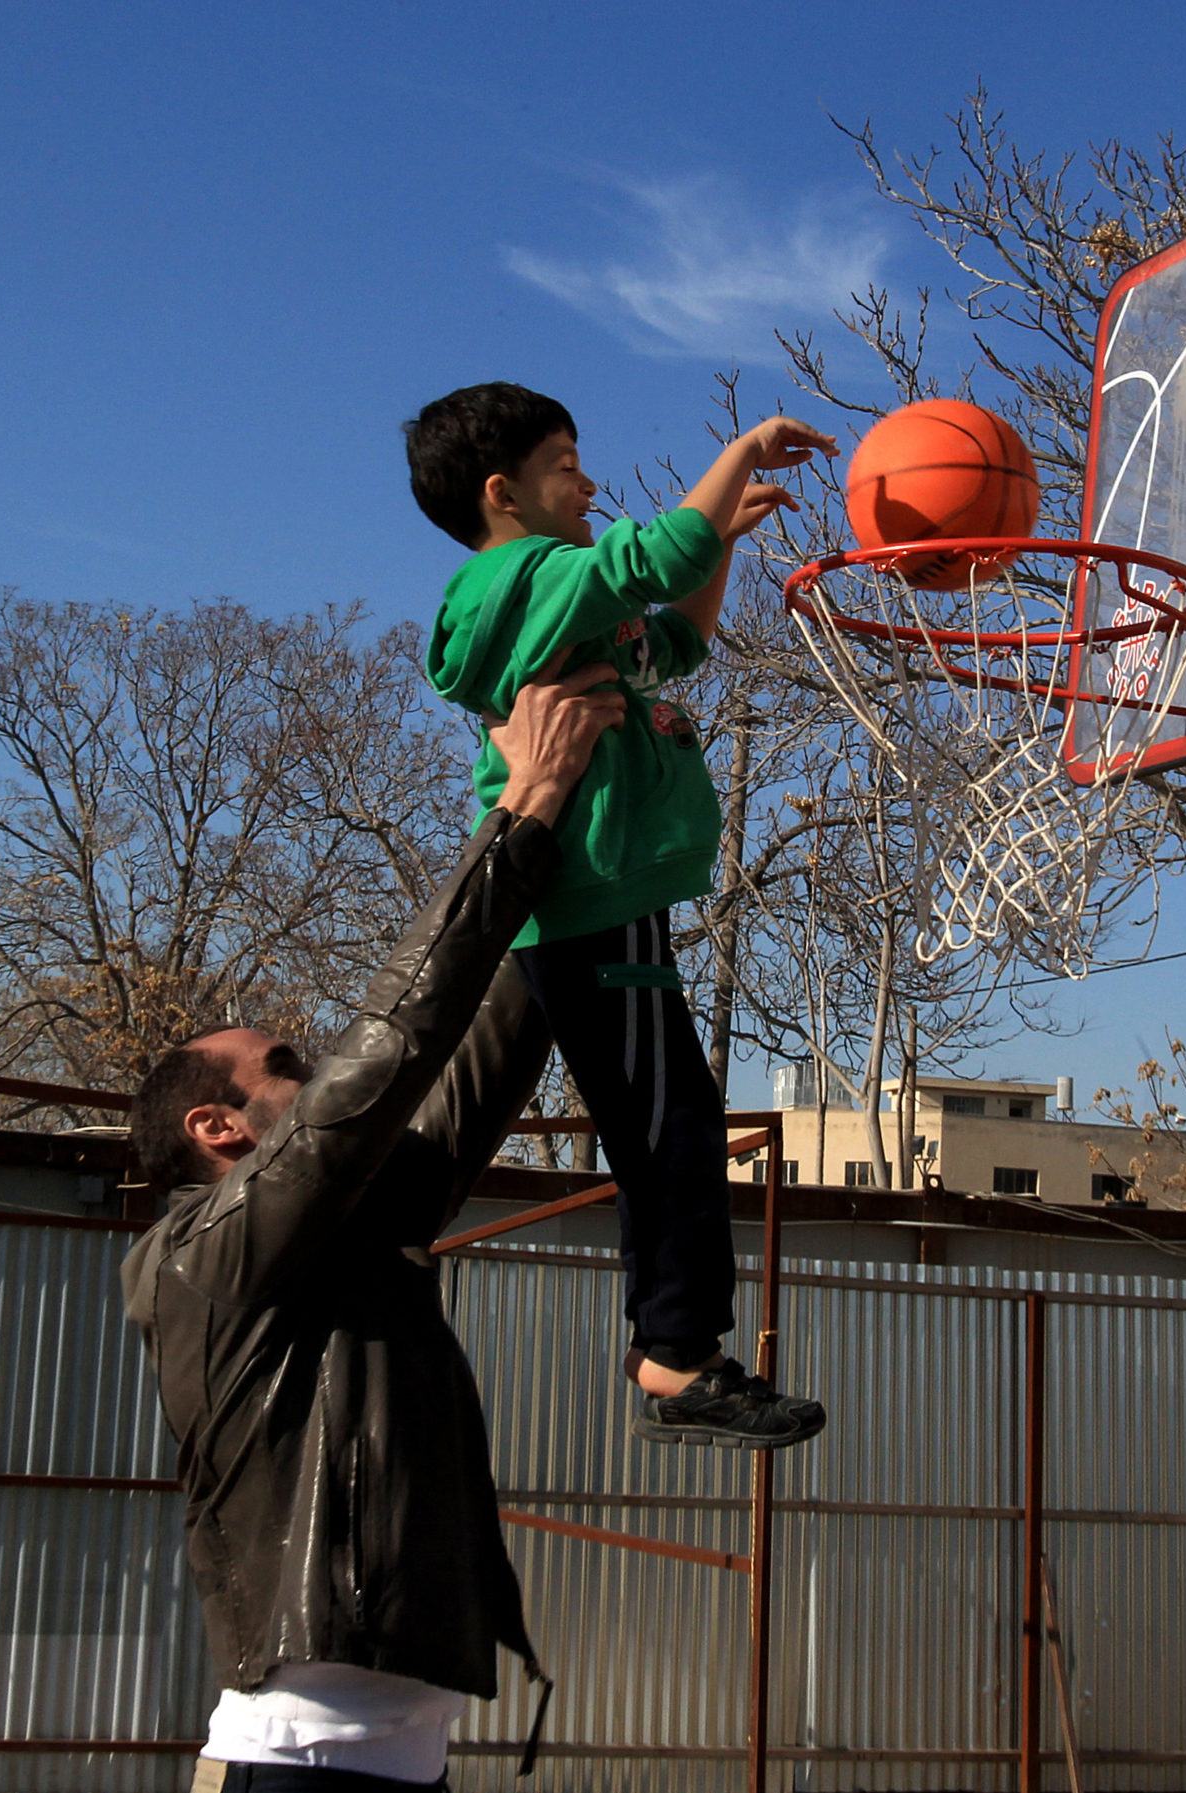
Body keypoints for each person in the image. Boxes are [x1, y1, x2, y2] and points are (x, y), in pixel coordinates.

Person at [122, 665, 627, 1791]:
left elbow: (488, 1041)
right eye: (287, 1067)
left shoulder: (349, 1231)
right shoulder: (203, 1255)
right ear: (221, 1125)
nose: (319, 1074)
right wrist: (521, 803)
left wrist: (586, 817)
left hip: (400, 1768)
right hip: (290, 1768)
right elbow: (395, 1048)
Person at [404, 380, 832, 1450]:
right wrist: (739, 452)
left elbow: (672, 645)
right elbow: (649, 562)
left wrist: (721, 540)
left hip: (595, 898)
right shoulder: (519, 578)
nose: (587, 479)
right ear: (503, 496)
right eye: (565, 462)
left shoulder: (562, 603)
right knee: (669, 1130)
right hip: (590, 897)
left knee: (656, 1124)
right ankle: (679, 1357)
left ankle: (670, 1345)